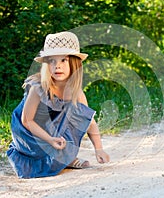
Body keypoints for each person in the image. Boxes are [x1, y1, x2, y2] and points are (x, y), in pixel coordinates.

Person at [7, 31, 110, 178]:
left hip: (53, 126)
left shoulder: (76, 93)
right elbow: (26, 120)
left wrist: (99, 149)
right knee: (42, 150)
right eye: (52, 61)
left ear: (75, 64)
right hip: (29, 131)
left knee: (77, 115)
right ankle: (60, 158)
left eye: (64, 60)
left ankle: (66, 159)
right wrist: (49, 139)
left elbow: (89, 122)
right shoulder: (38, 88)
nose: (57, 66)